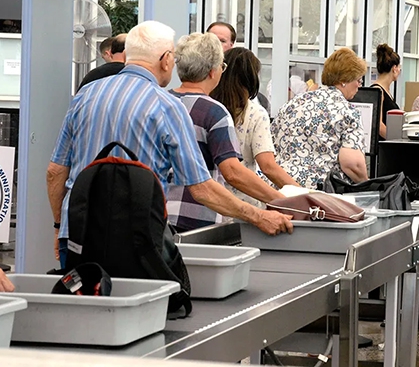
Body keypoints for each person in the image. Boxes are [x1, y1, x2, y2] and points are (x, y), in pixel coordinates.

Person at [48, 21, 292, 266]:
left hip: (78, 232)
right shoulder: (165, 106)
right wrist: (258, 215)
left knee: (83, 301)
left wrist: (60, 225)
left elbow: (55, 171)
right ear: (165, 59)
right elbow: (201, 188)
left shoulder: (85, 95)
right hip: (135, 238)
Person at [167, 33, 286, 232]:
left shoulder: (161, 101)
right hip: (196, 217)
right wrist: (283, 201)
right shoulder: (213, 111)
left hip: (157, 214)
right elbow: (232, 172)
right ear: (213, 72)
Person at [211, 47, 299, 208]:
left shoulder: (209, 107)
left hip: (211, 201)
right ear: (252, 78)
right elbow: (268, 166)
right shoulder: (255, 114)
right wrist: (301, 194)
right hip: (243, 203)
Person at [271, 48, 368, 189]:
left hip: (280, 186)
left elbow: (271, 145)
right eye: (358, 80)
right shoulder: (347, 111)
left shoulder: (294, 102)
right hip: (318, 192)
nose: (359, 85)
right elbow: (352, 164)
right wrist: (367, 184)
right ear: (344, 80)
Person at [371, 44, 401, 140]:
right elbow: (378, 125)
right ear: (394, 69)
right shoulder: (378, 90)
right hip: (382, 147)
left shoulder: (386, 91)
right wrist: (396, 140)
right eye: (399, 67)